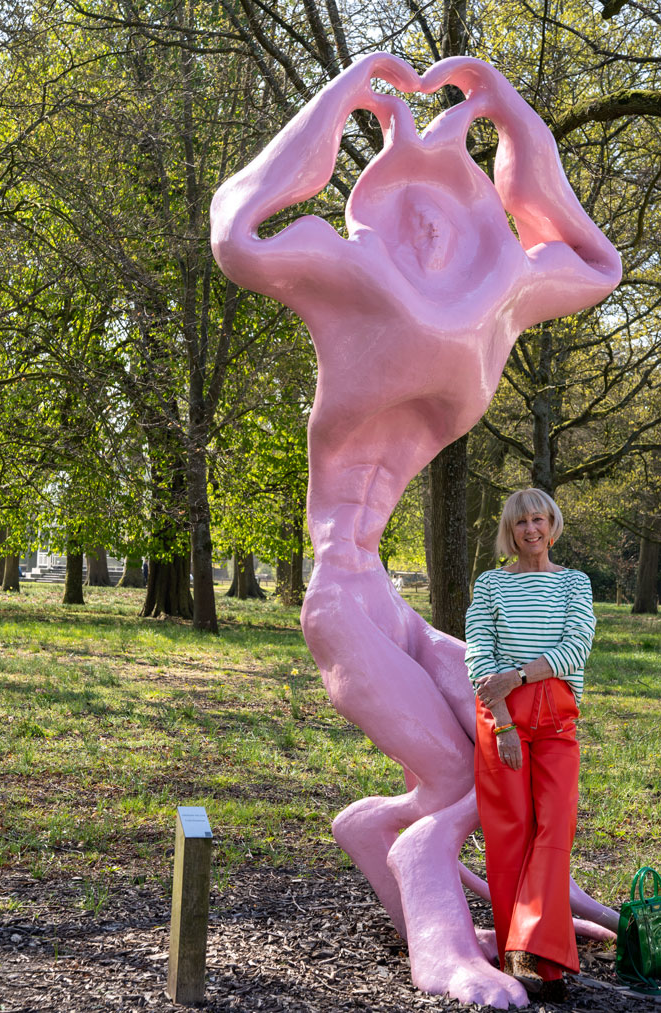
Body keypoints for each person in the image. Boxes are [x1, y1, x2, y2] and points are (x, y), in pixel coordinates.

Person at [211, 53, 620, 1007]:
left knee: (498, 748)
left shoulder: (501, 298)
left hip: (381, 596)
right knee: (459, 777)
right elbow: (236, 229)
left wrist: (514, 116)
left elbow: (600, 263)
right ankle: (441, 935)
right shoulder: (345, 267)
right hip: (339, 591)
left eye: (450, 193)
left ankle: (444, 862)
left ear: (478, 203)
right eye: (407, 196)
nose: (425, 220)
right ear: (379, 203)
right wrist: (338, 95)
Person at [466, 488, 596, 1001]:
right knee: (511, 834)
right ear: (509, 530)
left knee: (555, 830)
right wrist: (502, 722)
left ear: (552, 524)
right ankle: (517, 955)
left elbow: (575, 648)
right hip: (501, 722)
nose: (531, 531)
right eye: (520, 523)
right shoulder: (492, 584)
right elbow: (480, 656)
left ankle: (543, 953)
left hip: (556, 719)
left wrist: (516, 675)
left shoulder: (574, 583)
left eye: (538, 520)